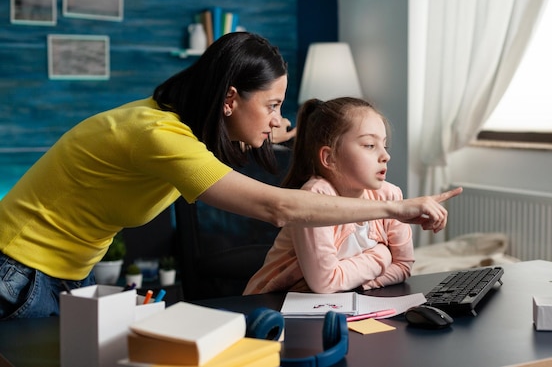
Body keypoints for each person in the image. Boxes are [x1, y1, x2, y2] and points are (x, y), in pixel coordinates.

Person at [0, 32, 461, 319]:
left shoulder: (183, 127)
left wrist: (282, 130)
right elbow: (276, 207)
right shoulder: (160, 136)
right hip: (18, 269)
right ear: (230, 98)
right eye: (272, 105)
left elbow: (255, 135)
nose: (275, 120)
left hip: (57, 272)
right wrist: (396, 206)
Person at [245, 97, 417, 295]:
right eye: (369, 145)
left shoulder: (390, 195)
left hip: (337, 303)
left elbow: (404, 266)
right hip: (271, 306)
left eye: (384, 146)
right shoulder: (316, 196)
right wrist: (382, 255)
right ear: (329, 158)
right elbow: (326, 282)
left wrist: (361, 285)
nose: (385, 156)